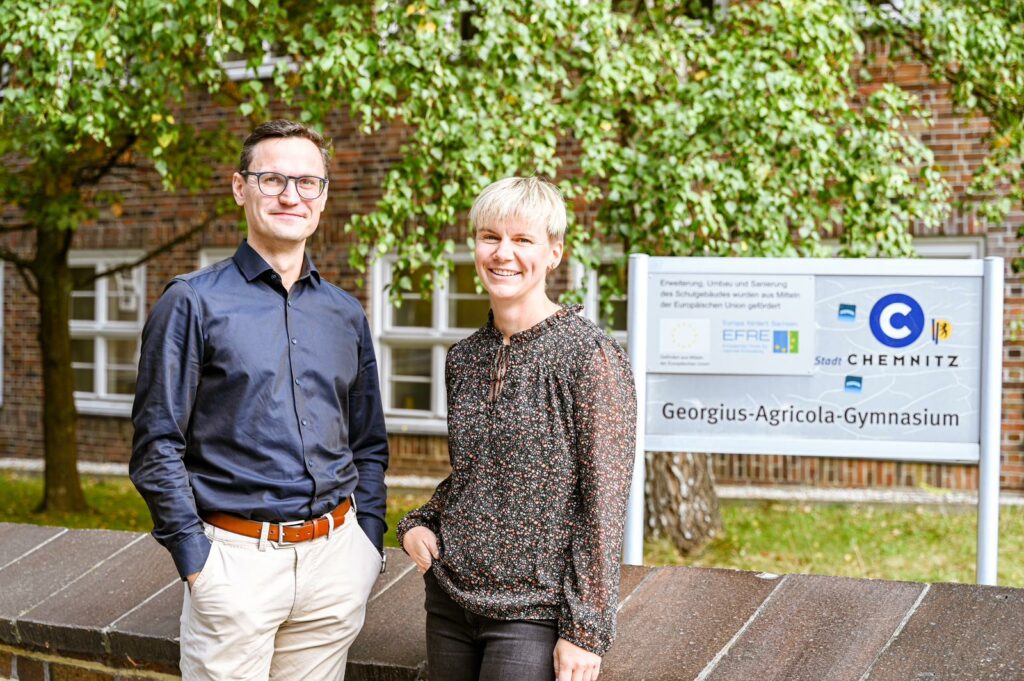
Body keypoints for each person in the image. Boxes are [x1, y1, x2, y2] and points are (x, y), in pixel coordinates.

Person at [131, 119, 389, 681]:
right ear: (239, 186)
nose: (291, 195)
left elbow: (368, 441)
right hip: (235, 565)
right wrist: (197, 562)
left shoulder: (345, 312)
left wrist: (367, 540)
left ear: (323, 197)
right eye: (272, 179)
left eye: (307, 182)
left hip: (336, 562)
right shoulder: (191, 303)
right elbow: (157, 446)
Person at [397, 177, 637, 681]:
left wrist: (585, 630)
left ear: (554, 252)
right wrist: (420, 521)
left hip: (534, 613)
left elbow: (604, 503)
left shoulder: (589, 357)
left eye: (523, 240)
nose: (503, 253)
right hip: (450, 600)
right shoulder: (464, 358)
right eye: (490, 237)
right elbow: (475, 474)